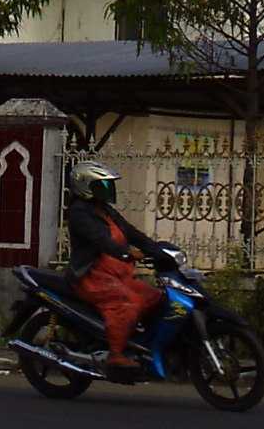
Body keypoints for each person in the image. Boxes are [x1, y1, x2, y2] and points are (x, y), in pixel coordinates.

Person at [65, 159, 168, 379]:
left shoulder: (105, 211)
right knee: (126, 304)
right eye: (102, 185)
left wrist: (158, 249)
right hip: (91, 276)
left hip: (116, 274)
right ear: (85, 186)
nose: (108, 190)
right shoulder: (79, 213)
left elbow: (131, 232)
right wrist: (128, 253)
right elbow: (102, 241)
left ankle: (138, 344)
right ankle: (116, 355)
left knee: (155, 297)